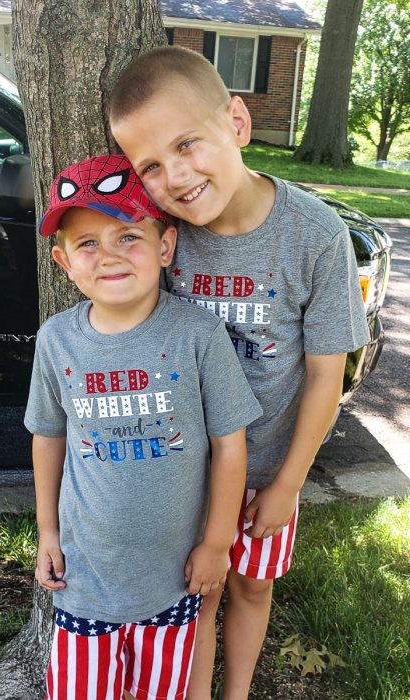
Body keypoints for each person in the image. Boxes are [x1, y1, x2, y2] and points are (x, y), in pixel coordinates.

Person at [109, 47, 371, 699]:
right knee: (199, 590)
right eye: (150, 166)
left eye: (187, 144)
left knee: (252, 586)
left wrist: (289, 483)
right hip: (183, 472)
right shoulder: (160, 235)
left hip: (266, 473)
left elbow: (324, 377)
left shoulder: (316, 235)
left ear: (236, 121)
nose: (174, 176)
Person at [24, 154, 262, 700]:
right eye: (87, 244)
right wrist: (47, 532)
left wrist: (217, 544)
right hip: (84, 577)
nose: (107, 256)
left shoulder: (198, 334)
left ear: (165, 246)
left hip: (174, 578)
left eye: (127, 235)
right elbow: (48, 435)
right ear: (62, 261)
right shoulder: (56, 340)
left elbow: (230, 445)